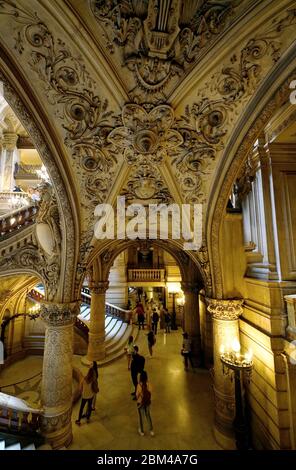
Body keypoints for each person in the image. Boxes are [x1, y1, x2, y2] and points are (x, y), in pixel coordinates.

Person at [136, 370, 154, 436]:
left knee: (141, 417)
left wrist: (140, 395)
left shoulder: (139, 385)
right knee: (148, 415)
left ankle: (142, 431)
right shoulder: (148, 384)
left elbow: (136, 395)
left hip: (140, 403)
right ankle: (151, 431)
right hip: (147, 402)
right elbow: (151, 392)